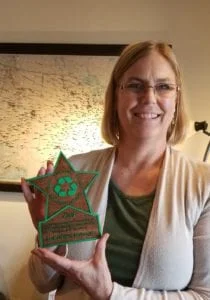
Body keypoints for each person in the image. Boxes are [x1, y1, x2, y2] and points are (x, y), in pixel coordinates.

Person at [21, 41, 210, 300]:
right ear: (116, 96)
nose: (149, 98)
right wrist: (47, 233)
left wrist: (110, 293)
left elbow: (205, 294)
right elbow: (43, 283)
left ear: (176, 98)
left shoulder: (203, 184)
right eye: (134, 85)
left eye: (163, 86)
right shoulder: (75, 170)